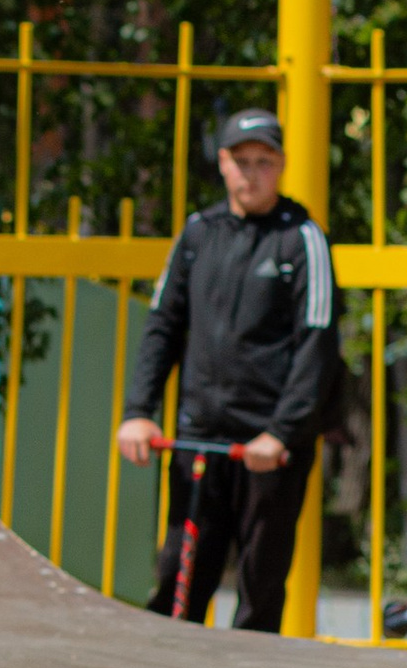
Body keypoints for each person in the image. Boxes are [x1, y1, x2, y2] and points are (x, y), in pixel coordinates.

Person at [117, 106, 341, 630]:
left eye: (264, 161)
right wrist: (138, 411)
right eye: (241, 160)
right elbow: (162, 327)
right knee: (179, 579)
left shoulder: (302, 237)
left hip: (267, 449)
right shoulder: (198, 234)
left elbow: (318, 343)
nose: (251, 172)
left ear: (281, 165)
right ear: (222, 163)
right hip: (200, 439)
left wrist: (282, 432)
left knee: (260, 588)